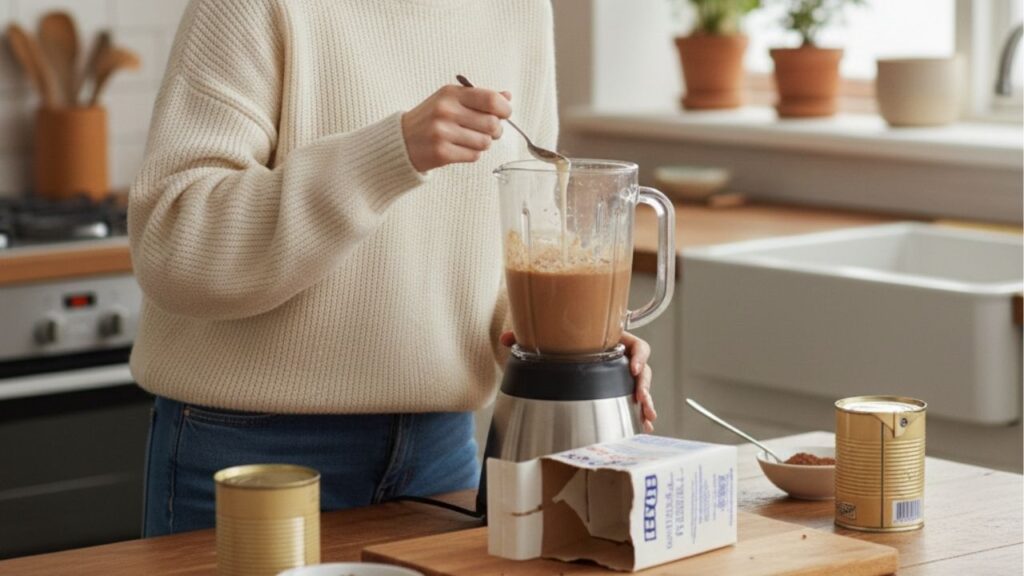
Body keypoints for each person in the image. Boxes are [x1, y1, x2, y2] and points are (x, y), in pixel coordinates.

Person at [130, 0, 657, 537]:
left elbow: (510, 252)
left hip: (440, 447)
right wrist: (390, 153)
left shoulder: (518, 9)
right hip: (255, 447)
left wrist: (556, 335)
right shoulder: (252, 8)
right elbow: (173, 247)